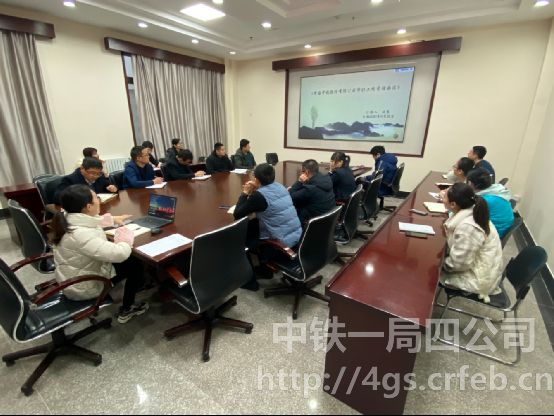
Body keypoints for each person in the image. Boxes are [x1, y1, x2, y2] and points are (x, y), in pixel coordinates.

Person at [51, 185, 149, 323]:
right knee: (134, 264)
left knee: (131, 263)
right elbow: (120, 254)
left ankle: (139, 284)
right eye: (97, 198)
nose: (99, 200)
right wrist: (125, 237)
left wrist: (111, 219)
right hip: (84, 287)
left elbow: (88, 221)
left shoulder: (66, 217)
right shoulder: (81, 235)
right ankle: (128, 308)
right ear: (88, 207)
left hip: (73, 276)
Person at [233, 164, 302, 291]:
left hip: (281, 249)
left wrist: (245, 193)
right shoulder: (280, 187)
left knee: (240, 241)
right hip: (298, 242)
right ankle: (266, 270)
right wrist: (257, 190)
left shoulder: (259, 196)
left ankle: (250, 283)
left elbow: (237, 213)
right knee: (255, 229)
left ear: (256, 179)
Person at [439, 183, 503, 303]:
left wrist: (437, 264)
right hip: (479, 269)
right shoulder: (471, 212)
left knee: (426, 273)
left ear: (453, 204)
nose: (442, 198)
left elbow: (459, 265)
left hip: (476, 279)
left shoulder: (468, 227)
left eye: (444, 196)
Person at [467, 167, 514, 238]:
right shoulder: (498, 190)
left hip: (494, 233)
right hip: (502, 228)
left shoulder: (483, 200)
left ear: (469, 183)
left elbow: (458, 213)